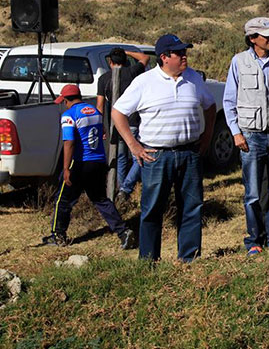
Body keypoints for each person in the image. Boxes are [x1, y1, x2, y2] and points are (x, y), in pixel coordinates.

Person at [112, 34, 216, 262]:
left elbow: (210, 106)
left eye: (184, 51)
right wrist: (134, 146)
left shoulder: (194, 78)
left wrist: (207, 137)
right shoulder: (144, 82)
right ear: (164, 57)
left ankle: (189, 259)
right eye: (179, 53)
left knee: (191, 206)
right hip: (156, 156)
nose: (184, 56)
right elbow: (118, 112)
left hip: (190, 153)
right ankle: (148, 261)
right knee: (152, 210)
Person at [224, 17, 269, 255]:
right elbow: (229, 101)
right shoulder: (238, 62)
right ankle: (254, 239)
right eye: (265, 35)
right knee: (252, 193)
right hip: (251, 136)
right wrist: (236, 133)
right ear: (252, 38)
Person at [43, 84, 136, 250]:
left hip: (80, 163)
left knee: (62, 200)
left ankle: (58, 235)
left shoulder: (68, 115)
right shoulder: (95, 112)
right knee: (100, 199)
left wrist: (65, 168)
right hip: (99, 162)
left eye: (63, 101)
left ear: (66, 100)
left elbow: (69, 143)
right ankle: (123, 231)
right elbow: (102, 133)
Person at [96, 47, 150, 204]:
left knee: (120, 157)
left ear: (110, 62)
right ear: (125, 61)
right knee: (138, 157)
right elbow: (145, 58)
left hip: (115, 124)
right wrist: (127, 52)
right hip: (132, 122)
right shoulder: (132, 72)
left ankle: (121, 188)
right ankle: (125, 189)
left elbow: (100, 106)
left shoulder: (104, 79)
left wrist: (101, 125)